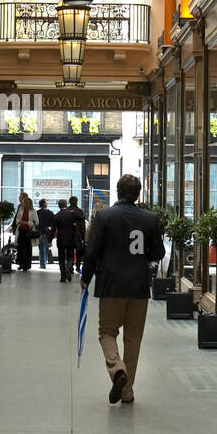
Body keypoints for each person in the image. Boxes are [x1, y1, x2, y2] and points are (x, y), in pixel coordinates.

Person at [81, 174, 165, 405]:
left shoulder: (104, 217)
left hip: (111, 285)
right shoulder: (150, 218)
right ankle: (127, 392)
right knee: (133, 339)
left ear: (118, 191)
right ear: (138, 193)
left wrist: (85, 278)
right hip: (139, 287)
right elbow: (159, 253)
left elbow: (92, 251)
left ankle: (118, 370)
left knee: (107, 332)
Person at [54, 196, 86, 283]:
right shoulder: (71, 213)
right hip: (71, 238)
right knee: (70, 256)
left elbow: (54, 229)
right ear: (66, 204)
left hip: (60, 239)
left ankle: (63, 277)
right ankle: (69, 268)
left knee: (61, 258)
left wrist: (50, 240)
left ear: (59, 206)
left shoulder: (56, 215)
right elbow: (82, 218)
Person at [10, 195, 36, 271]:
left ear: (27, 203)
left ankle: (27, 265)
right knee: (20, 248)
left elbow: (36, 222)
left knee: (27, 249)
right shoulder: (20, 210)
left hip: (28, 232)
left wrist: (27, 223)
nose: (22, 203)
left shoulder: (33, 211)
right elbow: (17, 220)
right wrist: (20, 222)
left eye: (24, 202)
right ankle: (21, 264)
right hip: (21, 231)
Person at [36, 199, 56, 269]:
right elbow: (54, 221)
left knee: (40, 249)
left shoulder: (37, 212)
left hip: (39, 232)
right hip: (47, 232)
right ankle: (44, 263)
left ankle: (42, 264)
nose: (47, 203)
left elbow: (35, 222)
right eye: (46, 202)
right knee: (46, 249)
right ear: (44, 204)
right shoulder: (50, 212)